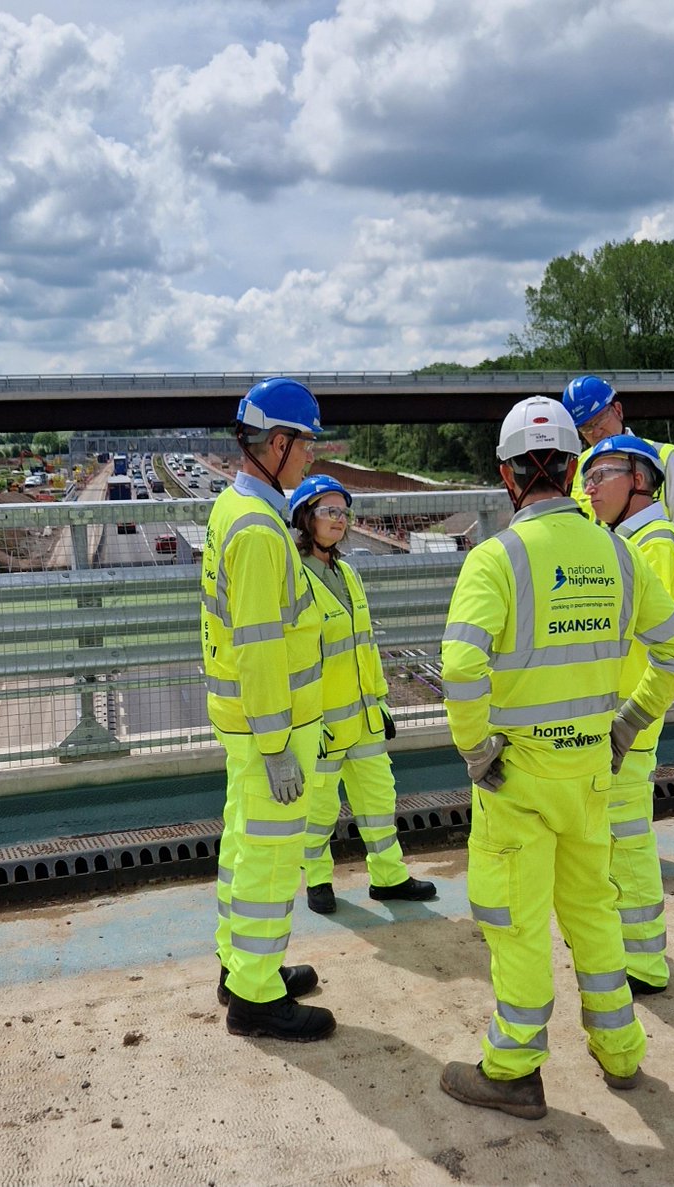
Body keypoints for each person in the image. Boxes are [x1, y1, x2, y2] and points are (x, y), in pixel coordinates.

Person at [438, 396, 674, 1119]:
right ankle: (620, 1053)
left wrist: (473, 749)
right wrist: (629, 722)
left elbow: (461, 667)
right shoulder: (617, 550)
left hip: (518, 780)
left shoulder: (497, 559)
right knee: (593, 909)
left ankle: (514, 1068)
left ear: (507, 474)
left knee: (516, 922)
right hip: (590, 771)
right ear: (571, 466)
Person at [202, 376, 335, 1043]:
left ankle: (241, 965)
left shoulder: (238, 507)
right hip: (271, 730)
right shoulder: (258, 529)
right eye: (305, 443)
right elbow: (258, 646)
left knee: (242, 844)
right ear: (277, 443)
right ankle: (256, 997)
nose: (312, 456)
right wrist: (280, 742)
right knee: (272, 859)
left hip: (249, 726)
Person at [286, 474, 438, 913]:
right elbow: (296, 660)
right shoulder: (296, 580)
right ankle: (317, 881)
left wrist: (381, 699)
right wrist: (304, 721)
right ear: (305, 519)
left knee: (378, 801)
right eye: (329, 511)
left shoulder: (348, 572)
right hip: (322, 724)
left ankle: (388, 878)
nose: (339, 519)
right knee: (319, 810)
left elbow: (364, 646)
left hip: (364, 717)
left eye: (343, 512)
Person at [580, 434, 674, 996]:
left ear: (640, 480)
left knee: (627, 841)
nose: (589, 486)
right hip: (609, 718)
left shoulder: (656, 544)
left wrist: (627, 719)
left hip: (628, 720)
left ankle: (645, 965)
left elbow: (649, 637)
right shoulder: (621, 539)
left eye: (602, 474)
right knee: (613, 842)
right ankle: (628, 949)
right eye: (586, 475)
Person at [562, 374, 674, 559]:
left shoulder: (664, 459)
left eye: (599, 420)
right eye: (586, 428)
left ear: (618, 410)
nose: (596, 432)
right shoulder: (577, 468)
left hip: (656, 573)